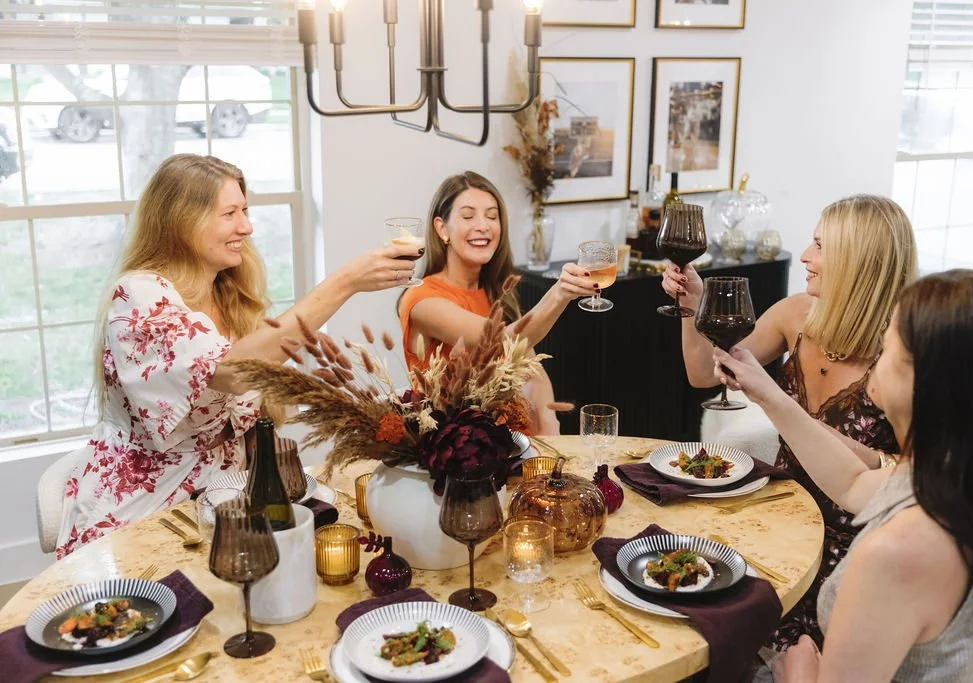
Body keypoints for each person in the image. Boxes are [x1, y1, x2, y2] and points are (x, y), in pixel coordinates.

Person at [56, 154, 419, 558]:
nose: (246, 227)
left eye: (245, 211)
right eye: (230, 213)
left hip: (227, 499)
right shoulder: (139, 296)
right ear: (182, 221)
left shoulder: (229, 296)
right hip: (146, 509)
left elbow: (250, 402)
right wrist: (344, 283)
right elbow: (231, 372)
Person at [714, 269, 973, 682]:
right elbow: (853, 483)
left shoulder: (897, 553)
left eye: (890, 341)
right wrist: (768, 394)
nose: (877, 350)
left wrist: (799, 671)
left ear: (924, 381)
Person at [662, 194, 917, 647]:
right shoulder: (796, 314)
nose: (805, 256)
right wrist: (693, 305)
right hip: (779, 509)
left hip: (857, 532)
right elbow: (704, 373)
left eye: (820, 246)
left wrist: (776, 399)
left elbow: (906, 475)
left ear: (858, 262)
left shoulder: (903, 352)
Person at [398, 171, 595, 434]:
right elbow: (503, 341)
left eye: (492, 216)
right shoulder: (421, 299)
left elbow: (529, 364)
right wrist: (560, 293)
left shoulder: (493, 292)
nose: (483, 225)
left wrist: (551, 431)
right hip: (454, 452)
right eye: (468, 216)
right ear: (442, 228)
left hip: (506, 442)